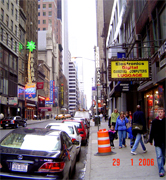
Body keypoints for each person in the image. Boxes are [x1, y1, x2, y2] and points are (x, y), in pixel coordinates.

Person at [148, 107, 165, 177]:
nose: (160, 113)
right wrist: (150, 139)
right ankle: (161, 170)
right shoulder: (155, 121)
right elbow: (152, 131)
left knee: (163, 156)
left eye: (161, 111)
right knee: (159, 156)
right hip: (157, 141)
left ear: (164, 113)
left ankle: (162, 164)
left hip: (164, 141)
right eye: (159, 112)